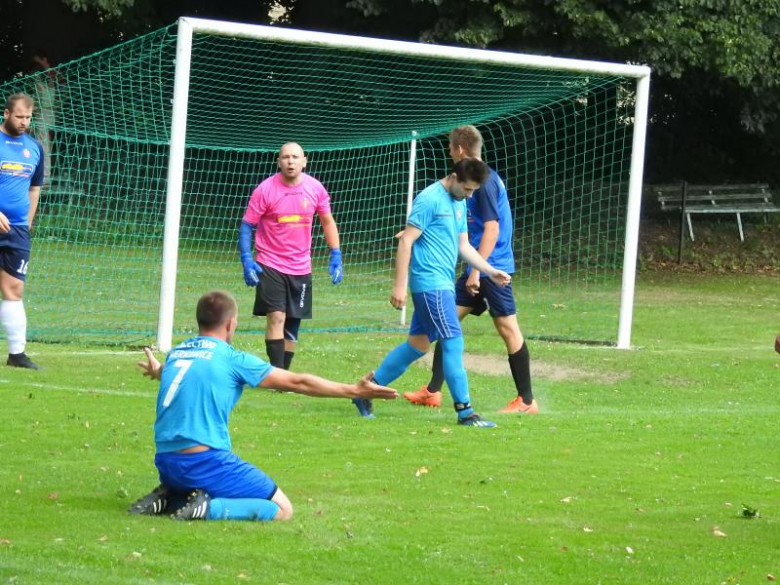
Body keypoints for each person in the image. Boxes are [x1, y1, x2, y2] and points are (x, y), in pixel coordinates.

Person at [129, 290, 397, 521]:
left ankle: (169, 497)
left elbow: (181, 375)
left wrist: (158, 372)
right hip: (205, 462)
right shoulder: (232, 358)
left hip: (166, 463)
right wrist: (354, 390)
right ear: (231, 323)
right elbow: (298, 382)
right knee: (282, 508)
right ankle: (207, 508)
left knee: (198, 484)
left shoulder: (178, 353)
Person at [351, 158, 511, 428]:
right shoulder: (429, 199)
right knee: (453, 342)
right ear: (454, 177)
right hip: (430, 284)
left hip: (442, 285)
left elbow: (464, 247)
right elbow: (406, 241)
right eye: (468, 189)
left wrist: (489, 271)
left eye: (474, 191)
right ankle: (466, 412)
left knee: (417, 346)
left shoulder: (460, 202)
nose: (470, 195)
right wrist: (399, 286)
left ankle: (367, 390)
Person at [404, 126, 538, 414]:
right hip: (478, 264)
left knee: (507, 328)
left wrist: (479, 272)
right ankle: (433, 391)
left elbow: (492, 228)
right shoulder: (478, 177)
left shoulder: (484, 182)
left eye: (451, 148)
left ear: (461, 150)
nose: (450, 153)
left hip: (491, 266)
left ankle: (526, 401)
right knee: (448, 323)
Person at [238, 142, 343, 371]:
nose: (290, 161)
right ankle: (276, 375)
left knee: (293, 324)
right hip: (270, 263)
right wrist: (247, 259)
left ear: (304, 161)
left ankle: (284, 376)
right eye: (285, 157)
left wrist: (336, 253)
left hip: (301, 266)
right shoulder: (265, 190)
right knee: (276, 317)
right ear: (279, 162)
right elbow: (247, 225)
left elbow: (327, 221)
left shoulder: (315, 189)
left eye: (295, 157)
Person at [0, 93, 44, 370]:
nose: (24, 122)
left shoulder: (34, 148)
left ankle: (17, 354)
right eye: (19, 116)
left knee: (14, 288)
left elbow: (35, 188)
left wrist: (27, 222)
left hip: (16, 231)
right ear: (5, 114)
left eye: (28, 117)